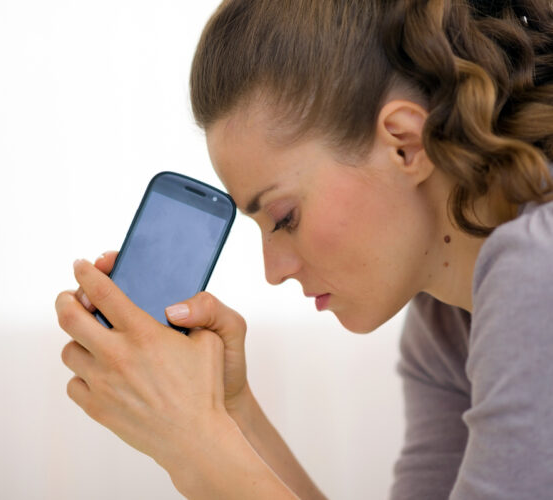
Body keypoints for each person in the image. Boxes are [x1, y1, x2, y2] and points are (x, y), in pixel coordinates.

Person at [55, 0, 553, 498]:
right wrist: (232, 412)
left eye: (283, 217)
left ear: (406, 144)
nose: (273, 271)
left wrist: (191, 440)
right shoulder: (444, 324)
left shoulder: (537, 267)